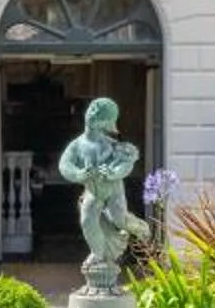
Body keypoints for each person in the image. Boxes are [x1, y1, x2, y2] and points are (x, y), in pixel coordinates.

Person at [57, 96, 148, 285]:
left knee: (119, 219)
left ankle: (139, 227)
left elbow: (125, 165)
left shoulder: (112, 145)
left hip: (114, 191)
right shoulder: (77, 145)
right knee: (87, 221)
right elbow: (64, 166)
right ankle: (98, 254)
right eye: (93, 115)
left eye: (101, 120)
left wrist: (114, 173)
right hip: (93, 191)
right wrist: (79, 174)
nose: (93, 120)